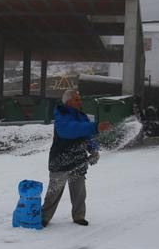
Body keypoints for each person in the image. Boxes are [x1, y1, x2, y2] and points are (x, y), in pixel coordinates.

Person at [42, 89, 111, 227]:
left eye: (80, 99)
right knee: (53, 193)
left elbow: (87, 137)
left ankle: (79, 216)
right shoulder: (61, 114)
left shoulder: (82, 116)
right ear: (68, 102)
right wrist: (95, 126)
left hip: (78, 159)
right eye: (77, 100)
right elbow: (69, 130)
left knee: (79, 192)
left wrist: (93, 150)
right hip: (60, 160)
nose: (80, 102)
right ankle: (44, 217)